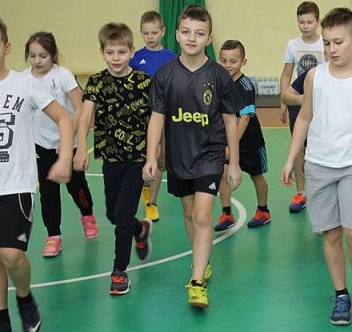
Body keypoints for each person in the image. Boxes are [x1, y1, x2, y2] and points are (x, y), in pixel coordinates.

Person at [281, 7, 352, 326]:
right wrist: (291, 158)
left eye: (338, 42)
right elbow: (305, 118)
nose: (331, 49)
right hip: (318, 166)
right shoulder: (315, 77)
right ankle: (341, 294)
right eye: (326, 43)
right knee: (331, 234)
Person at [143, 5, 243, 309]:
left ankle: (197, 282)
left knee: (202, 215)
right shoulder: (165, 75)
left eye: (199, 33)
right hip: (178, 155)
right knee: (189, 213)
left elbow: (230, 120)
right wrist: (151, 156)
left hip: (210, 154)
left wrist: (234, 163)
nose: (191, 38)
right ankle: (203, 260)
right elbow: (156, 118)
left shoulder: (218, 76)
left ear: (208, 38)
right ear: (176, 34)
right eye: (186, 32)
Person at [0, 17, 73, 332]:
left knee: (11, 254)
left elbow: (64, 117)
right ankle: (0, 318)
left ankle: (24, 297)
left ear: (6, 47)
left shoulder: (24, 84)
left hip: (14, 185)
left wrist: (65, 157)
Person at [75, 22, 154, 296]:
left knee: (121, 216)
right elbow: (85, 116)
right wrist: (80, 148)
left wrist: (155, 155)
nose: (116, 58)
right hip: (110, 157)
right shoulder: (97, 82)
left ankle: (119, 271)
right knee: (113, 213)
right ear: (102, 53)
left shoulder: (144, 82)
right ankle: (140, 229)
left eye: (121, 52)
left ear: (132, 51)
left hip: (137, 158)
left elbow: (155, 120)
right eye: (110, 52)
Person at [23, 32, 98, 257]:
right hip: (41, 144)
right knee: (47, 192)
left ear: (53, 55)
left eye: (43, 56)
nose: (37, 61)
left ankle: (87, 214)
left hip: (68, 142)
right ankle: (53, 236)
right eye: (32, 56)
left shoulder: (63, 75)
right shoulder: (24, 79)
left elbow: (79, 107)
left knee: (77, 186)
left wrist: (68, 141)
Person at [215, 40, 270, 231]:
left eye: (233, 61)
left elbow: (245, 118)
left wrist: (232, 145)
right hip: (227, 140)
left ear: (243, 62)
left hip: (249, 141)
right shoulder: (220, 83)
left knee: (257, 176)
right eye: (224, 61)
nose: (228, 65)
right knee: (223, 174)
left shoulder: (245, 85)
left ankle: (263, 210)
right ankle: (226, 213)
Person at [130, 11, 177, 223]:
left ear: (163, 32)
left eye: (154, 32)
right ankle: (146, 191)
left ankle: (152, 202)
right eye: (146, 33)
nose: (150, 37)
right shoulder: (134, 58)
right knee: (143, 156)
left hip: (164, 115)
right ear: (141, 33)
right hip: (140, 117)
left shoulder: (172, 59)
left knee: (160, 157)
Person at [279, 1, 325, 213]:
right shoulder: (292, 45)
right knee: (298, 148)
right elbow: (286, 75)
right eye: (301, 22)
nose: (305, 26)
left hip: (321, 103)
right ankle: (301, 192)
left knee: (319, 146)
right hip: (299, 101)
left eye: (309, 22)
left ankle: (321, 191)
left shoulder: (324, 44)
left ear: (318, 22)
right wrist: (283, 101)